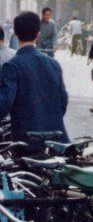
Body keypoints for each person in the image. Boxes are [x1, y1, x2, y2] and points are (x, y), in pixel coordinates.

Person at [0, 11, 69, 151]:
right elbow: (63, 101)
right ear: (38, 34)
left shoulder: (12, 66)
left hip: (27, 142)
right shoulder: (53, 64)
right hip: (57, 139)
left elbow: (4, 104)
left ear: (16, 34)